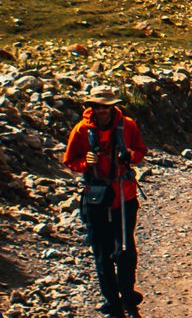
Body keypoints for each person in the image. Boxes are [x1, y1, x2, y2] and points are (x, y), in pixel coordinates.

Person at [64, 84, 146, 318]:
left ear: (112, 107)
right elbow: (70, 160)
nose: (101, 110)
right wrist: (86, 163)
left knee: (125, 249)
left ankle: (127, 293)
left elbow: (140, 151)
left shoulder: (128, 125)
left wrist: (130, 155)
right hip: (97, 199)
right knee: (102, 252)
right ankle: (112, 301)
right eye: (97, 106)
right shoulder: (81, 130)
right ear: (91, 106)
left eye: (105, 106)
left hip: (124, 195)